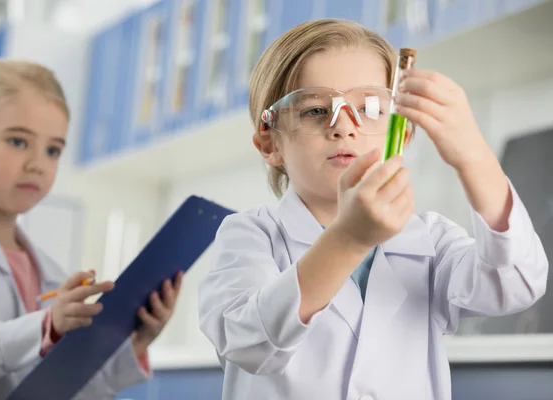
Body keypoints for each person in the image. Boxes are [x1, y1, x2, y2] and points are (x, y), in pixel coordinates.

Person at [198, 19, 548, 400]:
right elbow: (247, 343)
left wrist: (474, 158)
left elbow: (516, 282)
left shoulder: (430, 240)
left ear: (403, 133)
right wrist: (347, 240)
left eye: (368, 107)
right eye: (316, 110)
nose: (344, 127)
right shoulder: (250, 234)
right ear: (270, 145)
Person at [0, 59, 183, 400]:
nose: (37, 163)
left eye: (53, 150)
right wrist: (47, 327)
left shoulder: (46, 270)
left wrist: (137, 341)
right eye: (18, 142)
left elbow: (63, 387)